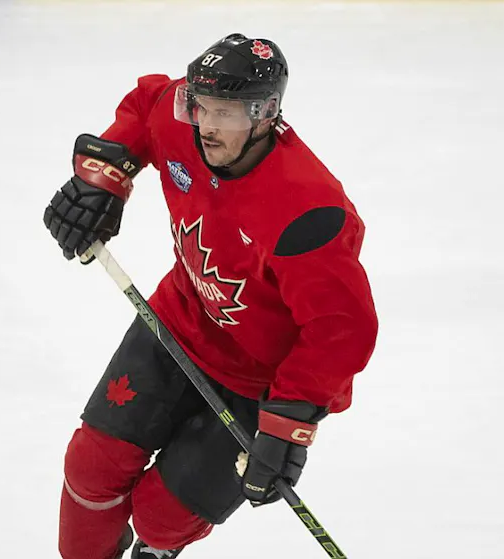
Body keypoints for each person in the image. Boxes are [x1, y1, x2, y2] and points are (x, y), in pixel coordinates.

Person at [43, 33, 379, 559]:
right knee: (91, 469)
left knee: (162, 517)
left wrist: (291, 421)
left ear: (266, 114)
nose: (206, 125)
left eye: (225, 112)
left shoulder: (306, 209)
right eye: (199, 106)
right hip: (176, 323)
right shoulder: (184, 124)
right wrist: (102, 178)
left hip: (256, 382)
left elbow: (341, 328)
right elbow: (147, 104)